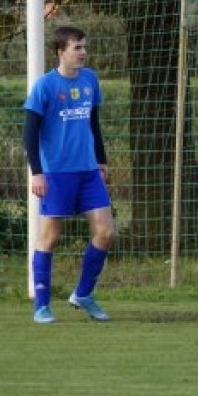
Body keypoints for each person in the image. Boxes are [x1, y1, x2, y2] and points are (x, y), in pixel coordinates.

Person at [23, 25, 116, 324]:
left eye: (84, 47)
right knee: (50, 238)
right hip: (56, 173)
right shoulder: (45, 86)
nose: (83, 53)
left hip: (88, 171)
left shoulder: (90, 80)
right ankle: (42, 306)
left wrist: (101, 160)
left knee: (105, 232)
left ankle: (83, 294)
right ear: (60, 51)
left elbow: (93, 122)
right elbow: (29, 133)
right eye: (77, 47)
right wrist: (37, 173)